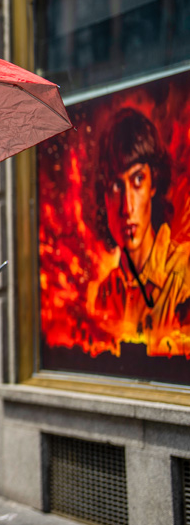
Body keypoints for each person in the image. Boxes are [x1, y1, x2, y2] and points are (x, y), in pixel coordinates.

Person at [91, 108, 190, 355]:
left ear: (153, 184)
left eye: (137, 180)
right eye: (115, 186)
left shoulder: (184, 272)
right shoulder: (105, 294)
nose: (127, 207)